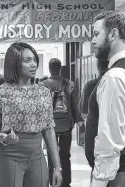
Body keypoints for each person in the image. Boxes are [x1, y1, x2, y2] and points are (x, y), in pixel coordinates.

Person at [85, 10, 125, 187]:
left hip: (118, 176)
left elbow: (110, 138)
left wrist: (98, 181)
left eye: (96, 34)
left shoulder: (116, 75)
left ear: (113, 34)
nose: (92, 41)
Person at [0, 42, 63, 187]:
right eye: (27, 60)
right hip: (9, 156)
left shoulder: (43, 92)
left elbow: (49, 129)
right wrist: (1, 137)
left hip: (37, 157)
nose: (33, 64)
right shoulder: (0, 93)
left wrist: (57, 167)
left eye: (34, 60)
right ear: (14, 63)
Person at [39, 58, 84, 187]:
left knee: (51, 156)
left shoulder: (43, 85)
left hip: (50, 127)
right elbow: (74, 105)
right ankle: (66, 182)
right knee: (65, 155)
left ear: (49, 68)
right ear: (60, 68)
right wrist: (79, 121)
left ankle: (53, 182)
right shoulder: (69, 83)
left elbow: (41, 107)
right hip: (66, 126)